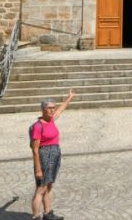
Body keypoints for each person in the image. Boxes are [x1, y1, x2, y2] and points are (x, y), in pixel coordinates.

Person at [30, 89, 75, 220]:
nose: (52, 110)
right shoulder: (38, 126)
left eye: (53, 108)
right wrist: (38, 169)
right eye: (49, 108)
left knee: (49, 185)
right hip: (44, 157)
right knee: (41, 188)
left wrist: (69, 98)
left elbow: (61, 110)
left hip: (54, 155)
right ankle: (36, 216)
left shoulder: (51, 120)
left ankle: (48, 213)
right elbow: (35, 149)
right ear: (43, 109)